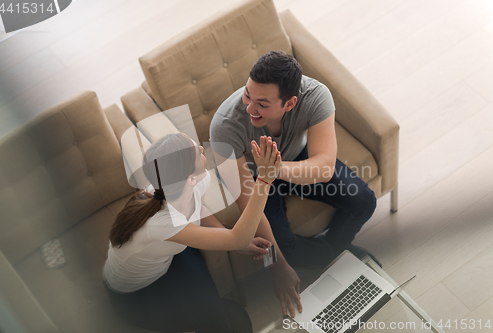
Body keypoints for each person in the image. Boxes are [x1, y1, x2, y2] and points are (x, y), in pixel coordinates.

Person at [210, 50, 378, 315]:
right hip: (257, 181)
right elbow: (247, 207)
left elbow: (323, 166)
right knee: (288, 253)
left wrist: (276, 169)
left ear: (289, 104)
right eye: (247, 94)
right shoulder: (224, 126)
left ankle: (334, 251)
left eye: (263, 104)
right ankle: (337, 253)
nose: (249, 108)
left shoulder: (316, 95)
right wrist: (278, 268)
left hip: (296, 164)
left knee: (365, 201)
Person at [103, 132, 281, 333]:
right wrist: (264, 180)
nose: (202, 149)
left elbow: (197, 208)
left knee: (229, 321)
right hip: (137, 293)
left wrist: (226, 237)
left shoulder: (188, 182)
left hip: (169, 255)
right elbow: (238, 238)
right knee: (228, 321)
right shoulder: (162, 221)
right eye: (197, 151)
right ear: (189, 178)